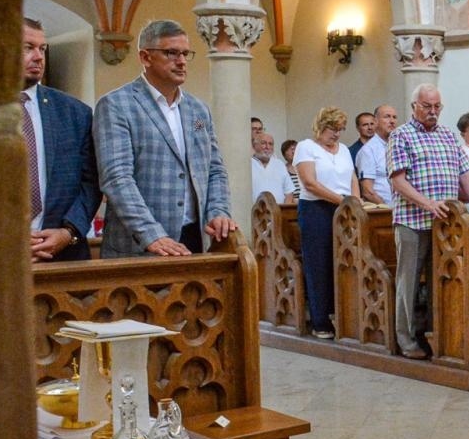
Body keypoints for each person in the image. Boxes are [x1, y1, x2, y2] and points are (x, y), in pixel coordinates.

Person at [95, 20, 233, 257]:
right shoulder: (117, 105)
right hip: (140, 246)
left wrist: (219, 210)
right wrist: (151, 234)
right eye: (171, 53)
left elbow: (214, 168)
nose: (181, 61)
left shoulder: (198, 111)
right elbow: (117, 178)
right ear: (145, 57)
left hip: (194, 237)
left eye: (185, 54)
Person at [386, 83, 469, 360]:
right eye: (427, 106)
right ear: (414, 106)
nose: (433, 111)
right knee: (408, 282)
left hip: (448, 226)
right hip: (412, 221)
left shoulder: (448, 135)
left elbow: (465, 175)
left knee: (440, 281)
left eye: (437, 107)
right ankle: (407, 340)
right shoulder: (401, 135)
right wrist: (428, 204)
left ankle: (438, 337)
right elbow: (398, 181)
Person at [20, 16, 100, 262]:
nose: (38, 57)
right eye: (27, 48)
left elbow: (91, 182)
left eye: (42, 48)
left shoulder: (74, 112)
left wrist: (68, 232)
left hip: (63, 253)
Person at [293, 107, 355, 339]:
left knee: (344, 261)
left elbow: (352, 177)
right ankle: (320, 320)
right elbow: (310, 183)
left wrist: (355, 202)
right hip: (316, 209)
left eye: (340, 129)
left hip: (344, 208)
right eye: (332, 128)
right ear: (320, 126)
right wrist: (343, 200)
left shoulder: (344, 150)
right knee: (319, 264)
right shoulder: (306, 147)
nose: (336, 134)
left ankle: (345, 316)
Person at [355, 104, 399, 205]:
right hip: (384, 210)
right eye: (387, 117)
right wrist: (388, 209)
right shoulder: (368, 150)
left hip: (404, 209)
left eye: (394, 117)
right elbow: (368, 192)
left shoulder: (399, 146)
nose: (392, 121)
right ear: (375, 121)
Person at [251, 131, 294, 205]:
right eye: (263, 143)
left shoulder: (279, 164)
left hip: (278, 211)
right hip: (254, 211)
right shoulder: (248, 164)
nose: (267, 147)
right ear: (255, 146)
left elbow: (289, 192)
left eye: (270, 144)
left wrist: (284, 210)